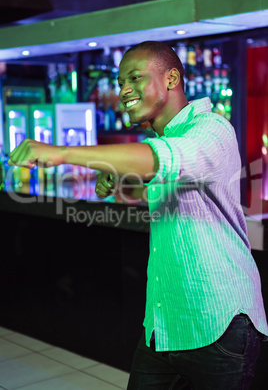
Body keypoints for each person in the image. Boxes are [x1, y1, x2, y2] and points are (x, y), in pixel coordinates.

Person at [8, 41, 268, 389]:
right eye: (119, 82)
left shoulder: (211, 129)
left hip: (218, 323)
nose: (123, 90)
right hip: (165, 325)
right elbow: (169, 184)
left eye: (134, 77)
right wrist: (122, 178)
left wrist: (61, 152)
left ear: (172, 77)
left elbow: (168, 159)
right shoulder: (167, 137)